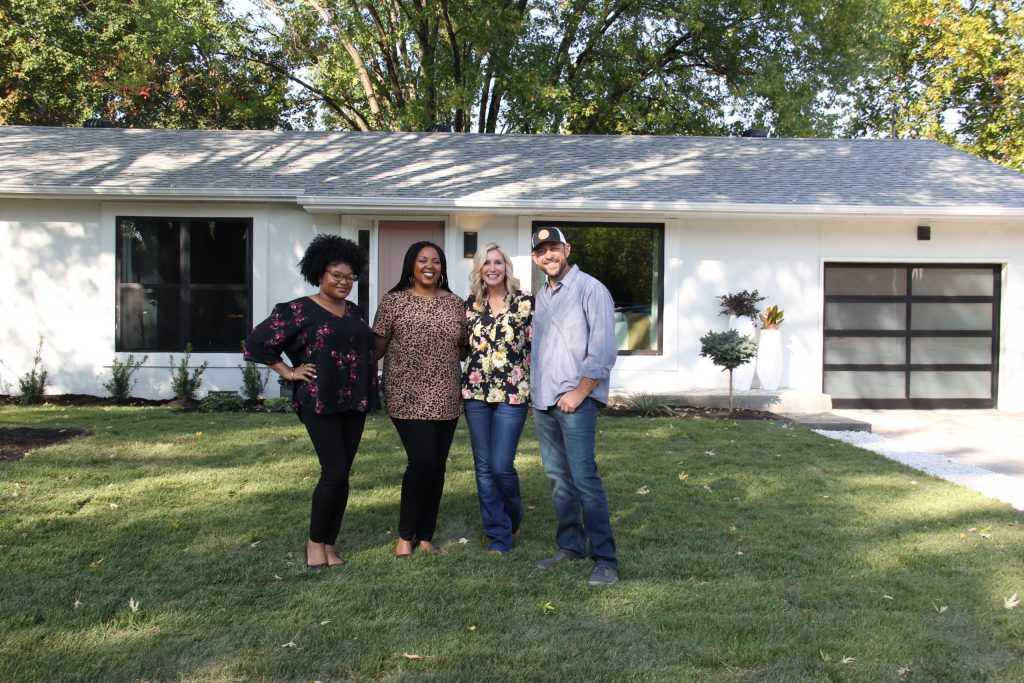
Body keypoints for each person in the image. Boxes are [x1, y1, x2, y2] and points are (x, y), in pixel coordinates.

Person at [243, 234, 379, 570]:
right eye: (337, 275)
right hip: (319, 400)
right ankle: (314, 544)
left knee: (343, 474)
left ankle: (329, 545)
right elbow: (256, 343)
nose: (344, 282)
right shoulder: (298, 310)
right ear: (320, 273)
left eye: (350, 277)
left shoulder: (356, 311)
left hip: (354, 401)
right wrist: (288, 372)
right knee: (333, 472)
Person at [529, 226, 620, 586]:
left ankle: (606, 560)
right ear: (535, 259)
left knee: (584, 479)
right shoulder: (542, 295)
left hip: (574, 401)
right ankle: (570, 546)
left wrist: (580, 393)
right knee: (557, 478)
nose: (548, 255)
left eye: (554, 248)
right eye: (541, 251)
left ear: (566, 249)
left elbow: (602, 351)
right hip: (544, 400)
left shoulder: (591, 289)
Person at [373, 241, 467, 558]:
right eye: (423, 260)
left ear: (442, 268)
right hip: (406, 394)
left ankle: (425, 536)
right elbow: (377, 349)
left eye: (436, 261)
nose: (430, 265)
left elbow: (465, 347)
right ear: (411, 265)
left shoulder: (455, 304)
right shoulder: (393, 301)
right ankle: (404, 535)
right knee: (422, 461)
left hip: (446, 395)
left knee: (437, 467)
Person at [461, 243, 533, 555]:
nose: (492, 268)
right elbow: (461, 347)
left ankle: (513, 514)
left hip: (512, 392)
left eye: (498, 262)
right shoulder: (470, 305)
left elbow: (537, 348)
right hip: (475, 392)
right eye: (486, 263)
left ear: (506, 267)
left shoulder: (525, 302)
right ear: (479, 269)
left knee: (501, 465)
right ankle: (499, 534)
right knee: (483, 466)